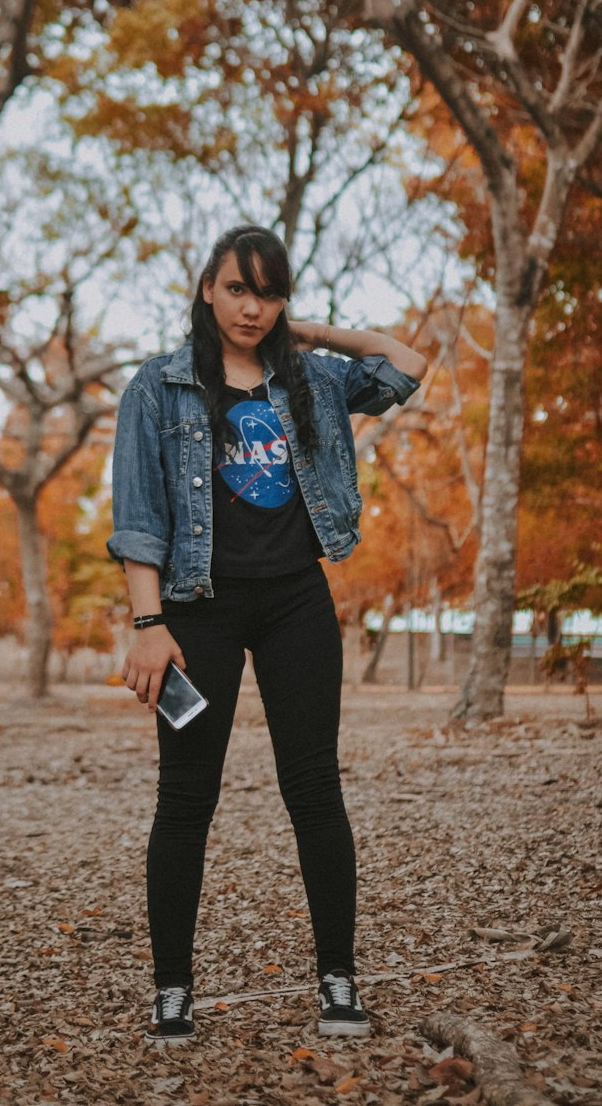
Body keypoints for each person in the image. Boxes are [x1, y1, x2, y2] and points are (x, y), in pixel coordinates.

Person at [108, 223, 426, 1044]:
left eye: (269, 292)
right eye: (238, 289)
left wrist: (309, 331)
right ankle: (172, 990)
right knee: (186, 798)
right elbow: (140, 521)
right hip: (196, 609)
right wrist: (148, 626)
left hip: (295, 604)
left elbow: (407, 363)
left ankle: (338, 979)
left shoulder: (311, 379)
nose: (252, 308)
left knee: (315, 787)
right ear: (207, 289)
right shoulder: (158, 386)